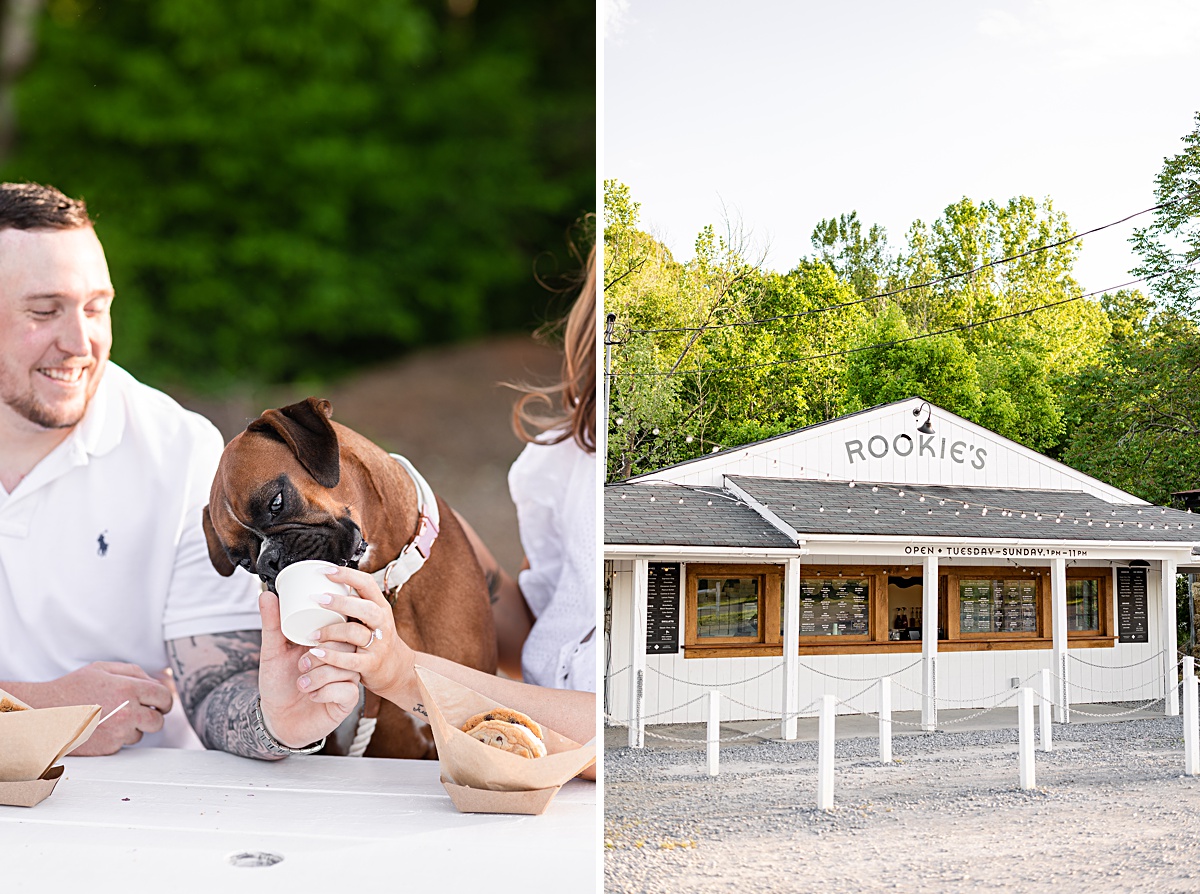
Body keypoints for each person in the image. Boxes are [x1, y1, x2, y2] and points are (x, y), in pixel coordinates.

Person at [0, 182, 355, 758]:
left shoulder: (178, 449)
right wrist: (38, 713)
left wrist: (279, 723)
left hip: (145, 817)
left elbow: (215, 683)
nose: (80, 342)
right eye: (45, 312)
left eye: (96, 308)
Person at [301, 245, 597, 767]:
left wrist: (403, 672)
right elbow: (550, 636)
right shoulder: (564, 457)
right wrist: (444, 539)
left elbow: (608, 732)